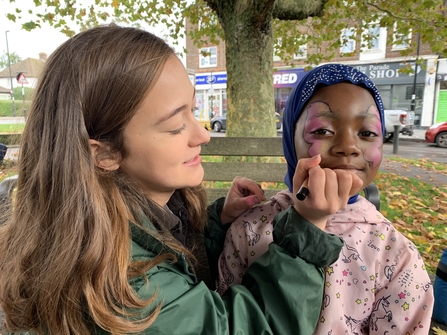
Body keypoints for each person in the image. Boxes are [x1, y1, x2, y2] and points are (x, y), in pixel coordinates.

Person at [0, 24, 346, 335]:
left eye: (194, 111)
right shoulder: (124, 285)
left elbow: (178, 283)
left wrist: (215, 225)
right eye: (175, 124)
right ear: (104, 154)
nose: (202, 135)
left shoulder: (111, 225)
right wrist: (306, 231)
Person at [218, 64, 434, 334]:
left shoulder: (396, 255)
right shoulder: (248, 229)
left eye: (366, 133)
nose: (347, 147)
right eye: (322, 131)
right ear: (289, 139)